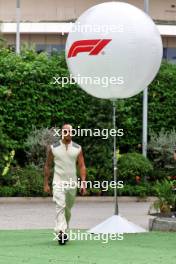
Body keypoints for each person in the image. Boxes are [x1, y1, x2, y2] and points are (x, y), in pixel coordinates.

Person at [44, 124, 86, 245]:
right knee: (60, 206)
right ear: (62, 133)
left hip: (72, 183)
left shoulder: (77, 148)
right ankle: (61, 232)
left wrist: (83, 183)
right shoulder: (53, 148)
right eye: (66, 131)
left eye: (70, 131)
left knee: (67, 209)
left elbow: (82, 165)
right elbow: (47, 165)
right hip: (58, 182)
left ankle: (64, 228)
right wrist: (46, 183)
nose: (68, 133)